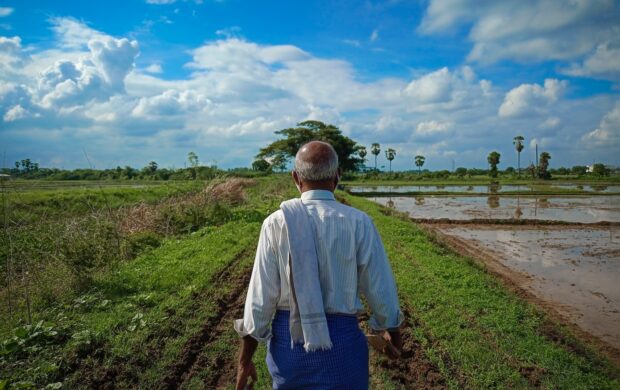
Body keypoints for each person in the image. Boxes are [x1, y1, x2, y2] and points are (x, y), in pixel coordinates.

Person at [234, 141, 404, 389]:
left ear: (295, 177)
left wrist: (244, 361)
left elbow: (259, 302)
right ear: (337, 176)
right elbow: (380, 288)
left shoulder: (275, 223)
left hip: (289, 351)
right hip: (344, 350)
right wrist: (392, 332)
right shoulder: (359, 222)